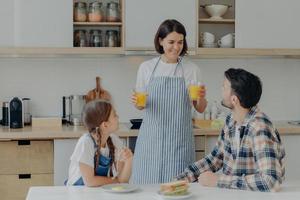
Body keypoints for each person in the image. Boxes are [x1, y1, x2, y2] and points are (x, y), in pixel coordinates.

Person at [176, 68, 285, 192]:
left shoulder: (260, 127)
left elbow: (271, 181)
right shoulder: (231, 120)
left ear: (234, 100)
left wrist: (218, 180)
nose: (221, 90)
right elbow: (216, 158)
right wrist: (181, 179)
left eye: (224, 87)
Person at [130, 19, 207, 184]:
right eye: (171, 42)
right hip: (151, 143)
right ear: (160, 41)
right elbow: (140, 105)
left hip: (179, 144)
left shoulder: (191, 69)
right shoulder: (146, 68)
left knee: (178, 189)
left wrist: (201, 97)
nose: (176, 47)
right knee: (146, 190)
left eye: (180, 42)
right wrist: (137, 101)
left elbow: (200, 108)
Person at [66, 100, 133, 186]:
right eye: (114, 115)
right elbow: (90, 182)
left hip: (97, 192)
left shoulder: (114, 140)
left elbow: (123, 180)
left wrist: (129, 160)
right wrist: (117, 181)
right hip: (78, 192)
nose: (118, 117)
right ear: (105, 125)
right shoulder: (86, 142)